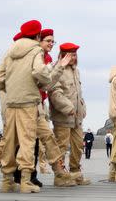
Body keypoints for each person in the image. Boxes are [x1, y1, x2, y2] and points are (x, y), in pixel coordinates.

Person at [0, 19, 73, 193]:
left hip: (12, 102)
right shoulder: (36, 50)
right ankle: (26, 181)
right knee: (28, 141)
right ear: (38, 35)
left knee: (9, 142)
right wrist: (41, 82)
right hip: (29, 103)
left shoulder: (10, 50)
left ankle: (7, 181)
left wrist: (13, 88)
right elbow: (40, 73)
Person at [48, 42, 90, 185]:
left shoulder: (76, 71)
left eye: (75, 54)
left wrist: (82, 109)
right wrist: (68, 107)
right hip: (63, 116)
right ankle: (60, 177)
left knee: (78, 145)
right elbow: (55, 93)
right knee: (61, 146)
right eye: (71, 54)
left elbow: (79, 94)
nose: (74, 57)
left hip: (77, 117)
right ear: (63, 55)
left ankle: (75, 173)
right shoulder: (57, 69)